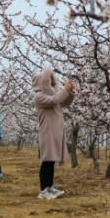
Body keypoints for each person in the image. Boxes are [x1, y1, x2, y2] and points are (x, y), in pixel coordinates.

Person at [32, 70, 76, 199]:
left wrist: (70, 92)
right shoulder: (39, 96)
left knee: (51, 161)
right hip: (47, 132)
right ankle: (44, 190)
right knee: (47, 161)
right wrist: (65, 89)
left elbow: (64, 103)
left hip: (55, 132)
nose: (51, 83)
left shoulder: (54, 95)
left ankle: (49, 186)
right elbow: (55, 100)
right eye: (48, 81)